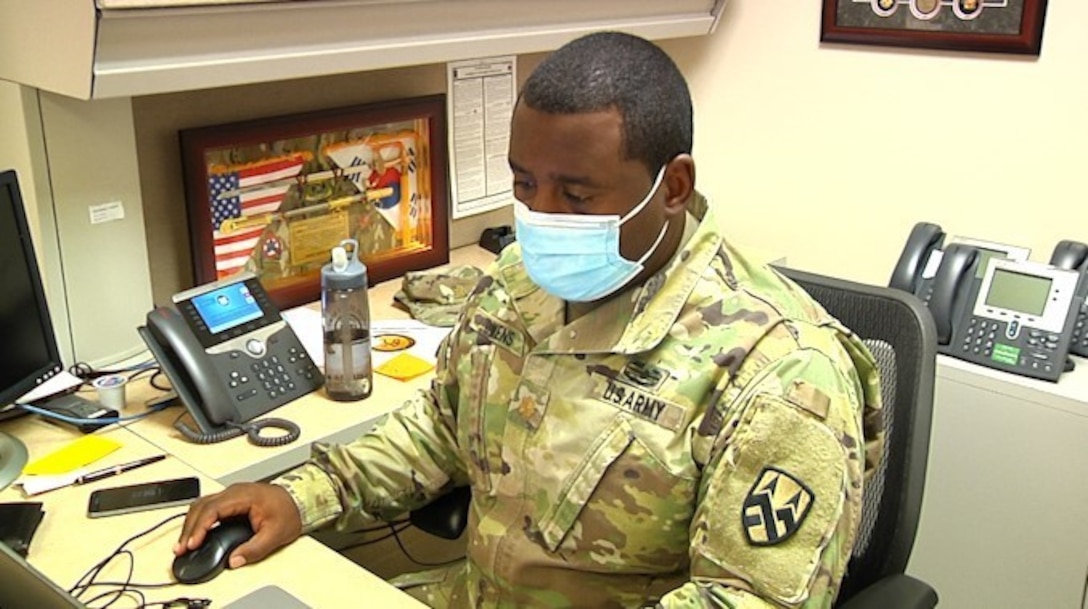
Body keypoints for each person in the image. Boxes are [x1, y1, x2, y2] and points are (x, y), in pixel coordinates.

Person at [175, 31, 883, 608]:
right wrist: (303, 495)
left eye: (575, 194)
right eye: (523, 183)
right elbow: (438, 426)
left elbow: (744, 599)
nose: (542, 216)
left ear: (673, 187)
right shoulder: (520, 284)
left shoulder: (784, 373)